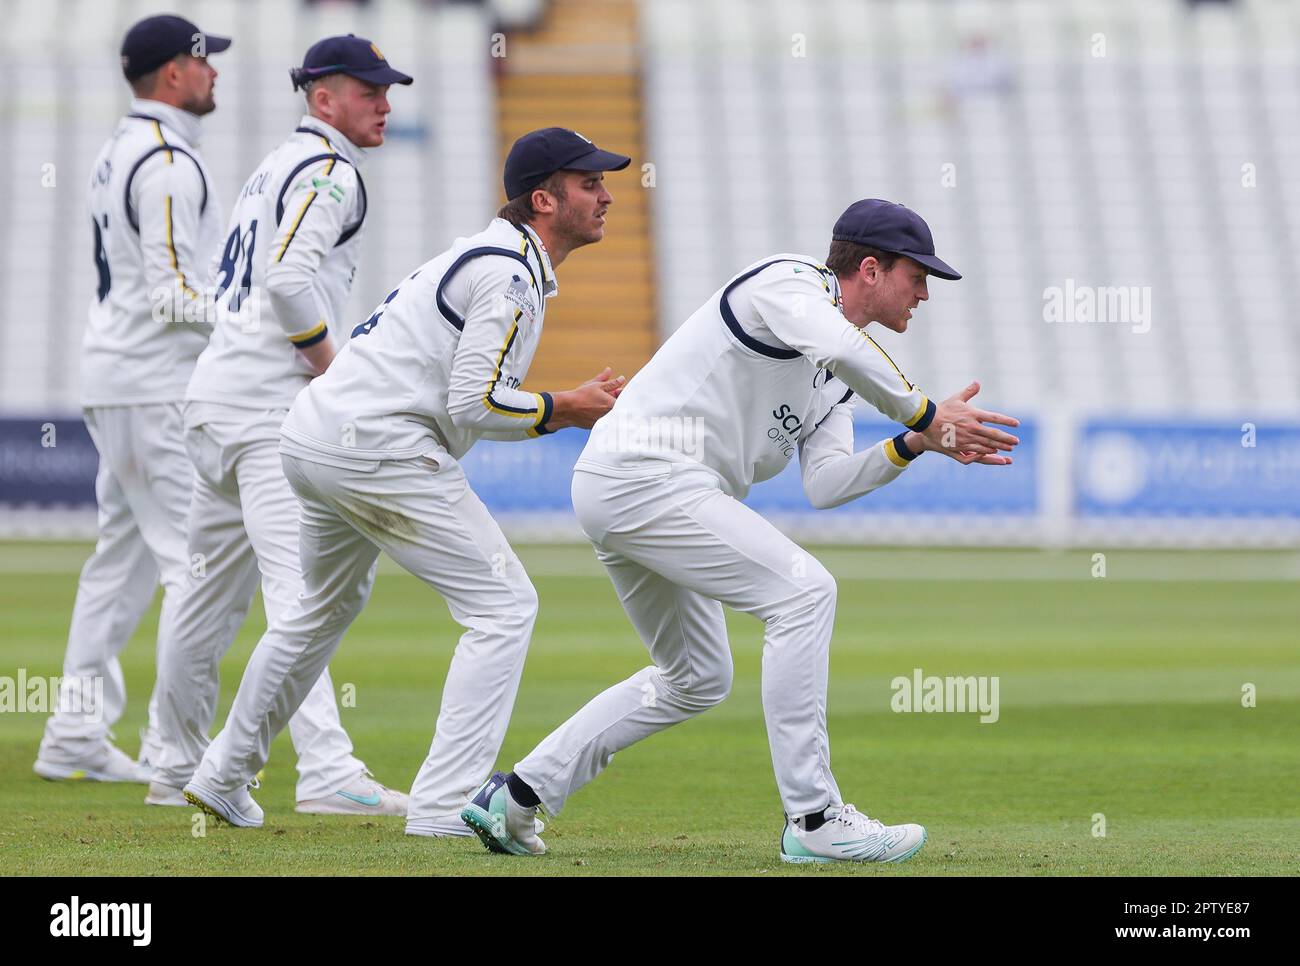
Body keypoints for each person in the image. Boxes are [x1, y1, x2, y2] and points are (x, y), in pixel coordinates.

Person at [461, 199, 1020, 864]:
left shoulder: (836, 382)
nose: (924, 293)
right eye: (917, 275)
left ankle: (517, 796)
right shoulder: (789, 282)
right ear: (868, 268)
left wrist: (913, 444)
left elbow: (829, 483)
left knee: (696, 676)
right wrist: (927, 410)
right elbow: (843, 342)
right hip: (647, 475)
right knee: (805, 594)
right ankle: (813, 820)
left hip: (630, 486)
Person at [184, 128, 631, 835]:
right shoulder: (508, 273)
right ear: (543, 199)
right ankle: (444, 805)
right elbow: (474, 404)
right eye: (589, 184)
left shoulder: (490, 256)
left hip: (314, 433)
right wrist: (565, 408)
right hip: (375, 445)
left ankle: (223, 774)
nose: (607, 195)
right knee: (504, 604)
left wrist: (555, 404)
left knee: (316, 613)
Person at [148, 36, 413, 815]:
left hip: (213, 401)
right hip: (267, 408)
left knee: (202, 600)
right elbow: (290, 280)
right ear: (322, 97)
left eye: (387, 89)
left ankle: (173, 764)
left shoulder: (275, 163)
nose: (385, 103)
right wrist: (335, 371)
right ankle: (327, 771)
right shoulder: (331, 171)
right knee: (306, 597)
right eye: (369, 90)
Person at [35, 15, 230, 784]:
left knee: (122, 562)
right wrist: (268, 326)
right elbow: (172, 295)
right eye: (203, 60)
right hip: (155, 383)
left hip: (115, 376)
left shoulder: (124, 147)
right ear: (174, 73)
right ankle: (175, 750)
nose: (214, 72)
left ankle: (74, 731)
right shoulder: (169, 161)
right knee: (198, 565)